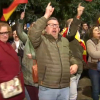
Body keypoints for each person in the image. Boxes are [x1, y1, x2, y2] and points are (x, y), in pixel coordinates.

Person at [28, 2, 80, 100]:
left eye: (56, 25)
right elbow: (33, 33)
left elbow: (70, 56)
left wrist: (75, 64)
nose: (54, 27)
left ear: (59, 28)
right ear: (45, 28)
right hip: (47, 87)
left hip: (65, 87)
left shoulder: (64, 41)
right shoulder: (41, 40)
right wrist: (46, 15)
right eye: (51, 25)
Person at [61, 3, 85, 100]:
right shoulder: (66, 36)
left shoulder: (79, 39)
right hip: (70, 69)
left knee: (72, 94)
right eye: (74, 23)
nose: (77, 24)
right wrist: (78, 15)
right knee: (71, 95)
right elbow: (71, 33)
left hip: (79, 68)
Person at [16, 12, 38, 100]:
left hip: (39, 76)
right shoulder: (27, 39)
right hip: (27, 75)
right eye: (32, 27)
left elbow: (46, 55)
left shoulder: (44, 39)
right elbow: (19, 32)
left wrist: (34, 56)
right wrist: (21, 20)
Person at [0, 22, 25, 100]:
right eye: (2, 33)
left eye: (6, 32)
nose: (5, 35)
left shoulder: (8, 45)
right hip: (6, 88)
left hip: (16, 85)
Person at [86, 25, 100, 100]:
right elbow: (93, 54)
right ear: (92, 33)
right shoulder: (89, 42)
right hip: (94, 68)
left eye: (98, 29)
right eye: (96, 30)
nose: (98, 31)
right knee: (96, 89)